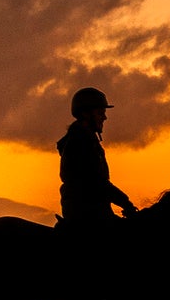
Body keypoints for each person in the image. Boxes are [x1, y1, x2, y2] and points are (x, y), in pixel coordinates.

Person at [57, 88, 136, 232]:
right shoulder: (81, 143)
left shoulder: (84, 140)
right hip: (87, 215)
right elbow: (98, 183)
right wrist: (126, 203)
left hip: (91, 212)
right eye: (100, 113)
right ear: (85, 114)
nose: (104, 117)